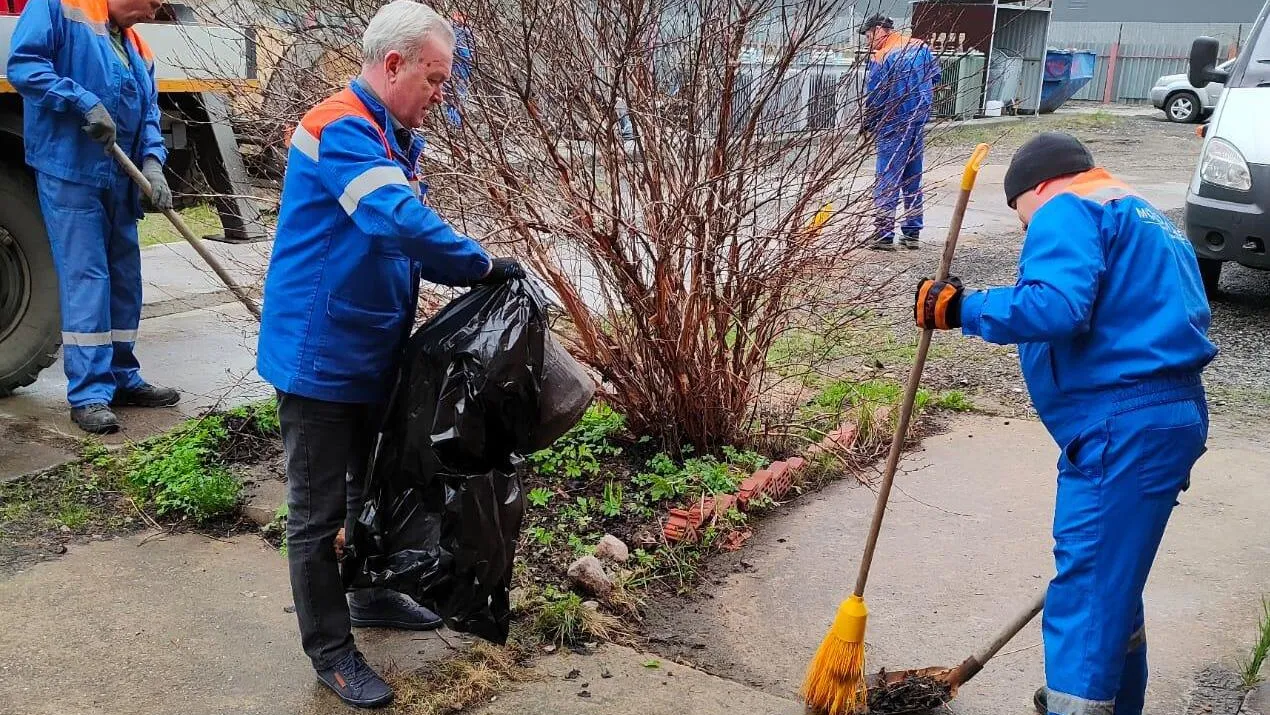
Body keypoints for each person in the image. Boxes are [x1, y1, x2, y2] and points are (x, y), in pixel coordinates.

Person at [255, 0, 523, 708]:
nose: (442, 94)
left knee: (360, 487)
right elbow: (395, 219)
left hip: (368, 345)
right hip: (322, 355)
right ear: (394, 63)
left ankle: (368, 592)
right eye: (435, 79)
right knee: (316, 512)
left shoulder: (390, 134)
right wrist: (481, 265)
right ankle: (331, 650)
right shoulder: (338, 126)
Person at [914, 133, 1216, 715]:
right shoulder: (1143, 214)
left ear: (1038, 187)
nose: (1029, 230)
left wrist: (961, 308)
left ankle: (1076, 705)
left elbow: (1055, 305)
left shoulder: (1065, 207)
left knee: (1085, 599)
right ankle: (1106, 702)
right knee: (1114, 592)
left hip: (1121, 426)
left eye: (1021, 216)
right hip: (1166, 417)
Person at [7, 0, 179, 434]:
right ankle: (89, 394)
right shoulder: (58, 7)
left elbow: (151, 115)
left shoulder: (138, 47)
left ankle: (123, 376)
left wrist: (154, 162)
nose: (155, 12)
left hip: (120, 178)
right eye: (153, 2)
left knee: (125, 277)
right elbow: (24, 66)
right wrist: (81, 101)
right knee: (87, 277)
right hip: (70, 170)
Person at [859, 14, 941, 251]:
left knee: (888, 178)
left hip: (893, 122)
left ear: (878, 30)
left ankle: (884, 234)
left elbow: (876, 95)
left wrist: (870, 122)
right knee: (912, 177)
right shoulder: (921, 46)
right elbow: (935, 76)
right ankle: (912, 231)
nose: (867, 42)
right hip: (918, 120)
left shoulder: (881, 56)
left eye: (867, 35)